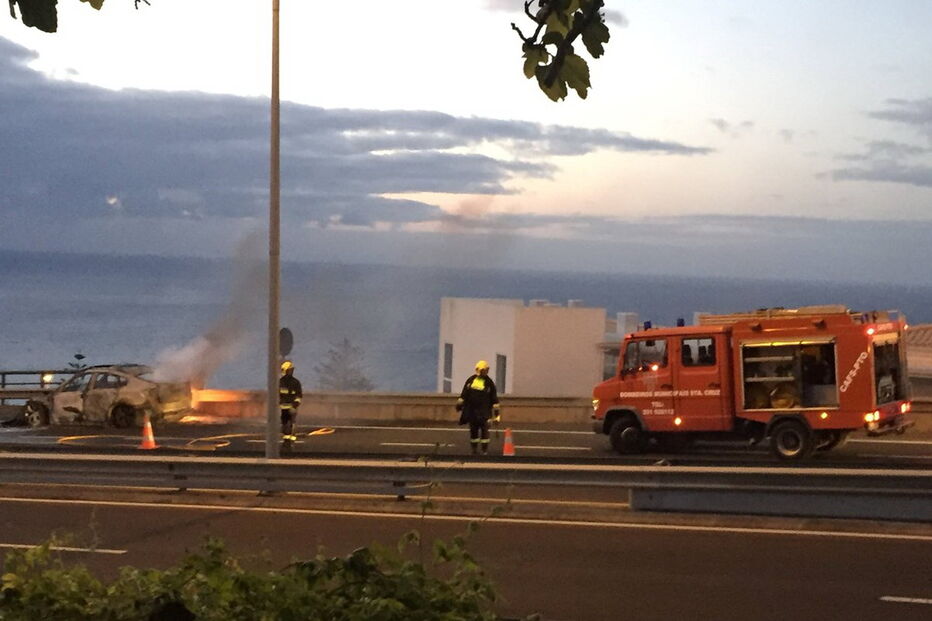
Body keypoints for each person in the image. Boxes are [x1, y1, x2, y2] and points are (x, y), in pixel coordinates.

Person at [456, 360, 500, 455]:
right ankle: (474, 449)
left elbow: (494, 400)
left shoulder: (489, 383)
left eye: (486, 370)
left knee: (485, 432)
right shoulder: (471, 381)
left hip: (484, 414)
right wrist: (459, 405)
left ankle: (484, 450)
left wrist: (497, 415)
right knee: (473, 432)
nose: (484, 372)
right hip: (472, 413)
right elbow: (464, 394)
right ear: (478, 370)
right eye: (482, 370)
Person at [279, 360, 303, 443]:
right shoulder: (280, 382)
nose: (291, 372)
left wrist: (295, 406)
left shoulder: (295, 382)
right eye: (289, 370)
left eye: (291, 370)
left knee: (291, 423)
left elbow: (299, 395)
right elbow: (277, 395)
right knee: (284, 423)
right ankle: (286, 439)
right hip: (283, 408)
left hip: (292, 407)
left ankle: (291, 439)